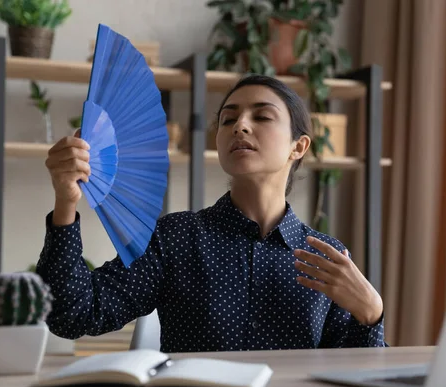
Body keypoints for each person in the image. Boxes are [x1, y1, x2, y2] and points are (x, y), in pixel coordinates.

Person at [36, 74, 385, 353]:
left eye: (261, 116)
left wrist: (372, 314)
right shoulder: (174, 237)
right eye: (228, 118)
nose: (240, 126)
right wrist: (66, 202)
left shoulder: (326, 257)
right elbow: (74, 316)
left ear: (299, 146)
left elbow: (354, 376)